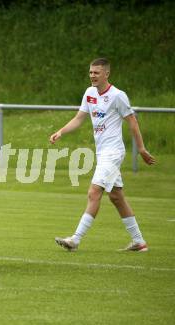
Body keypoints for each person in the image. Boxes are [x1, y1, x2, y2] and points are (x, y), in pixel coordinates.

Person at [50, 58, 156, 252]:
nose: (92, 76)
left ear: (106, 74)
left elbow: (132, 122)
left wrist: (140, 149)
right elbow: (79, 118)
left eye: (96, 73)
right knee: (116, 197)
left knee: (94, 192)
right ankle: (139, 242)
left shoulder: (118, 96)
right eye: (90, 72)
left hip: (113, 152)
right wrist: (61, 131)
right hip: (103, 153)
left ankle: (75, 239)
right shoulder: (90, 93)